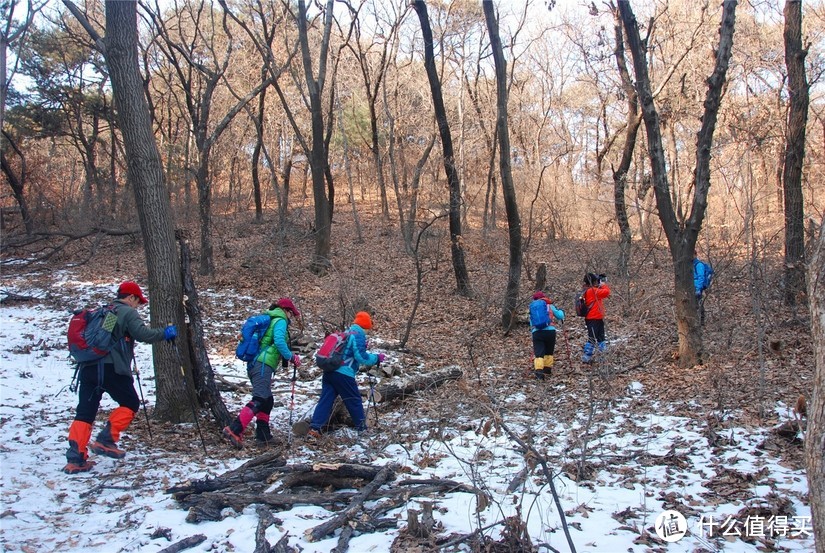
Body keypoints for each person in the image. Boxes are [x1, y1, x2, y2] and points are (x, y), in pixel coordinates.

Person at [64, 281, 177, 474]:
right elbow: (143, 334)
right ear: (131, 297)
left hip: (89, 367)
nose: (137, 306)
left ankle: (76, 458)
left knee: (85, 412)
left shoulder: (108, 312)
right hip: (111, 368)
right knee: (130, 403)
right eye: (138, 301)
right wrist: (165, 333)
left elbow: (105, 338)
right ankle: (106, 440)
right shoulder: (126, 312)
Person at [222, 298, 302, 448]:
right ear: (287, 311)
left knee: (267, 400)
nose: (292, 316)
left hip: (256, 364)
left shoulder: (271, 318)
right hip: (263, 364)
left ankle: (263, 435)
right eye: (292, 313)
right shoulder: (280, 320)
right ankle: (234, 429)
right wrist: (291, 357)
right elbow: (279, 341)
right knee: (259, 399)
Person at [307, 311, 384, 438]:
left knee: (325, 400)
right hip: (343, 374)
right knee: (354, 400)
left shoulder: (346, 333)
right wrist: (377, 358)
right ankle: (362, 429)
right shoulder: (358, 334)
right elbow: (362, 357)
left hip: (329, 371)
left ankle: (314, 428)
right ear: (366, 325)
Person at [528, 291, 565, 380]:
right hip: (550, 331)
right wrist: (561, 311)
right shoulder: (549, 306)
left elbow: (531, 322)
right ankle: (547, 370)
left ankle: (539, 373)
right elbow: (560, 316)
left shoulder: (533, 308)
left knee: (539, 353)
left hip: (537, 332)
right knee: (549, 351)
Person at [581, 273, 611, 363]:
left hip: (594, 317)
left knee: (600, 337)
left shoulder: (587, 290)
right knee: (592, 337)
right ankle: (587, 356)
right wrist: (603, 285)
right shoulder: (592, 291)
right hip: (594, 318)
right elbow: (606, 292)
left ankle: (602, 355)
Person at [693, 251, 714, 325]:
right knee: (694, 303)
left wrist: (698, 288)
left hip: (697, 287)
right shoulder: (690, 264)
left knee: (699, 303)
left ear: (695, 255)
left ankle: (701, 321)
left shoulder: (699, 265)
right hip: (692, 286)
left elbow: (701, 277)